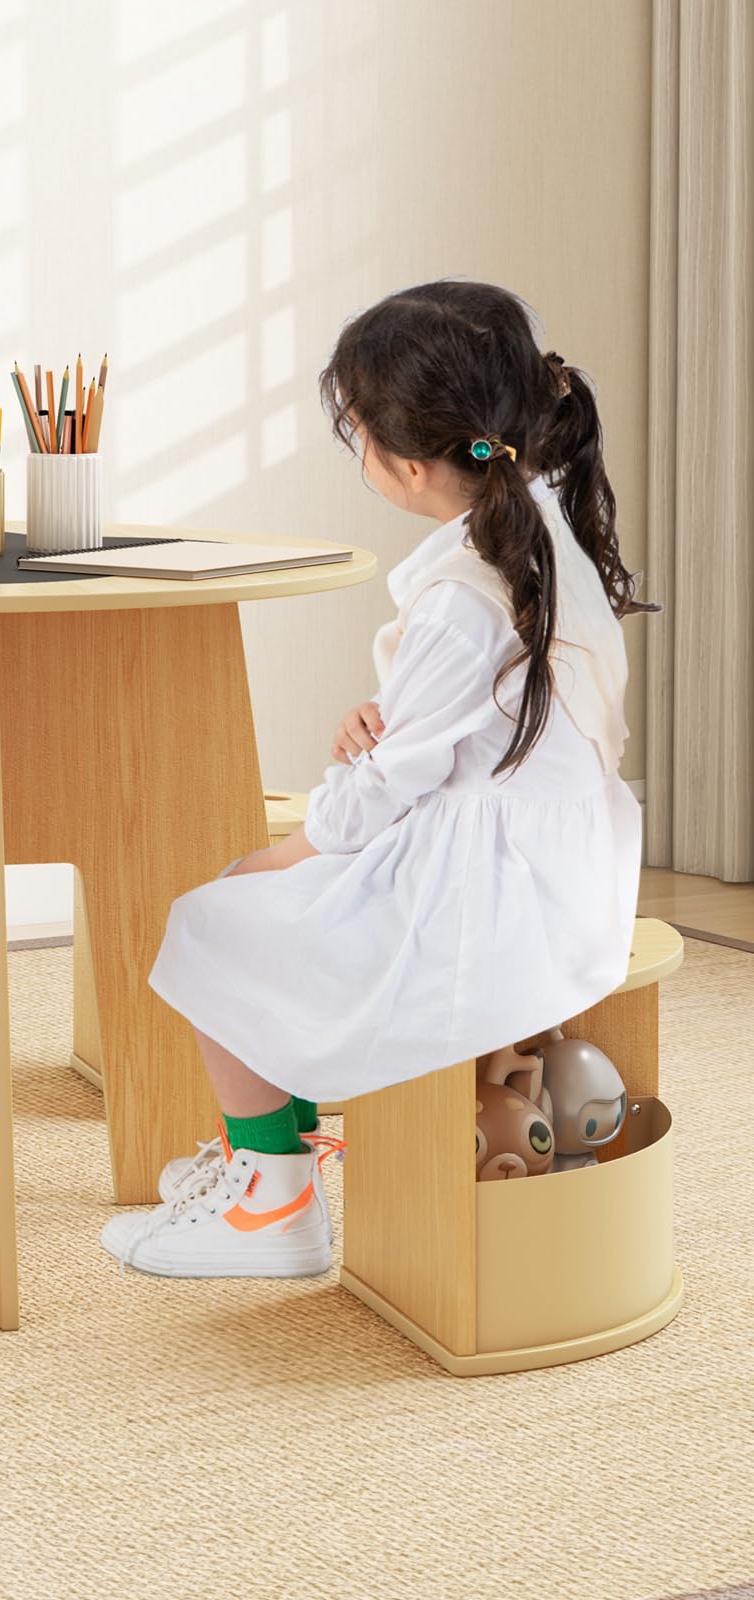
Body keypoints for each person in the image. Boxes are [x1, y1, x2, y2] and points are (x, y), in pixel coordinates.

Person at [102, 279, 656, 1278]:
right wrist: (384, 716)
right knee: (258, 898)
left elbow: (385, 790)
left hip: (495, 893)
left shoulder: (462, 598)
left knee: (212, 918)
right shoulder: (544, 531)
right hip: (555, 861)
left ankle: (275, 1205)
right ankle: (280, 1149)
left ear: (405, 464)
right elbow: (468, 720)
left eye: (354, 429)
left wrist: (289, 850)